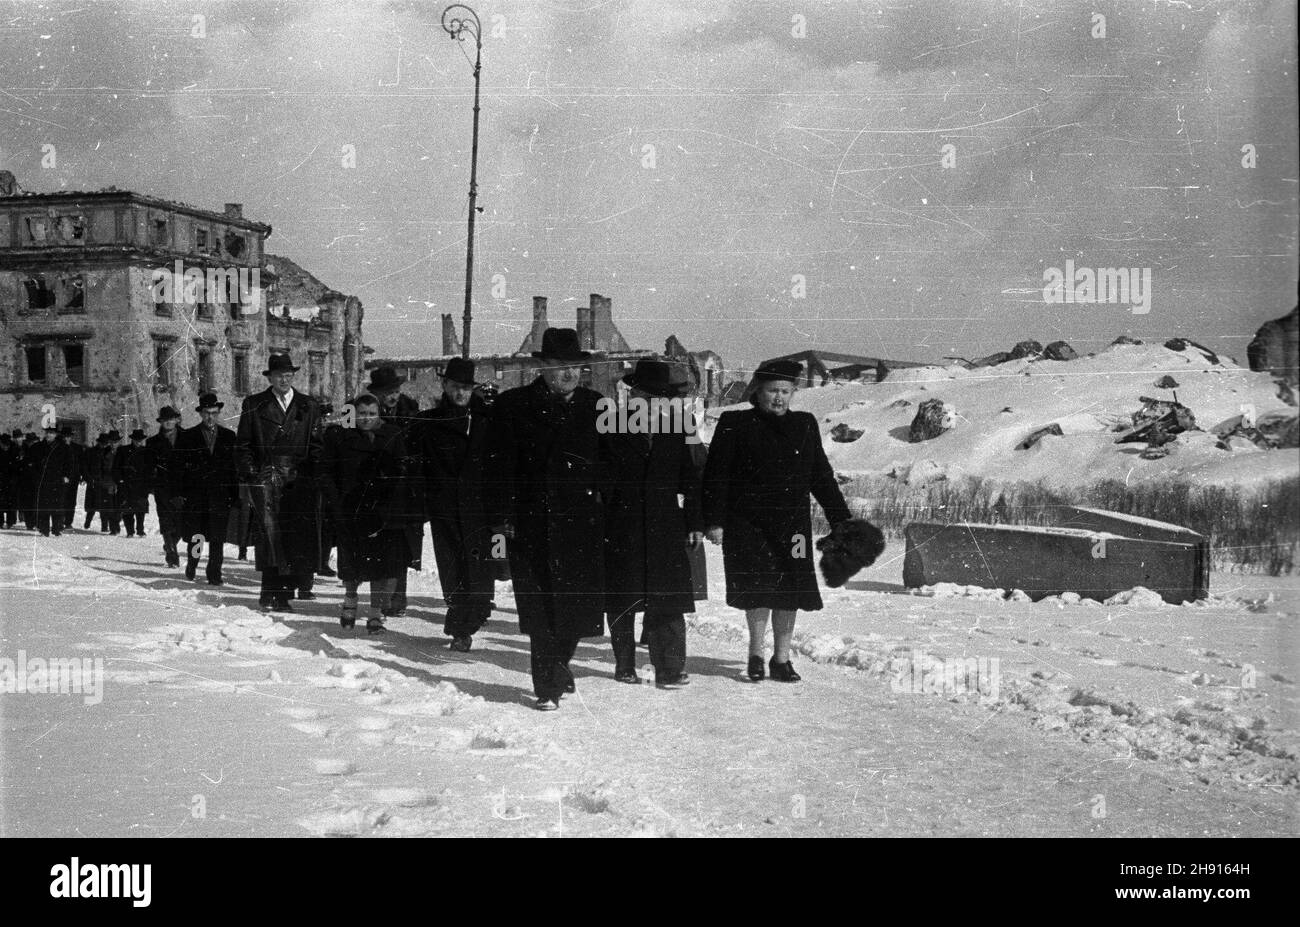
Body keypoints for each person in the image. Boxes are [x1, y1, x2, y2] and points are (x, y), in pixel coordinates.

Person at [702, 360, 851, 683]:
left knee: (790, 591)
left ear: (794, 392)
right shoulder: (734, 423)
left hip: (793, 527)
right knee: (756, 590)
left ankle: (781, 660)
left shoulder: (805, 424)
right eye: (773, 391)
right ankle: (756, 653)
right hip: (747, 525)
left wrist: (841, 519)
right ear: (758, 390)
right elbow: (716, 476)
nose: (779, 398)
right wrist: (713, 521)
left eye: (786, 391)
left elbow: (821, 476)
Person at [484, 328, 610, 711]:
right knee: (539, 608)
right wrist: (499, 520)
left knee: (574, 610)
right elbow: (495, 468)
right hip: (530, 523)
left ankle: (558, 663)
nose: (569, 374)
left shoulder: (598, 406)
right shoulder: (513, 406)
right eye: (559, 367)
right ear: (542, 368)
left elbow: (610, 464)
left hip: (582, 524)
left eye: (575, 366)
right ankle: (547, 687)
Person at [603, 360, 703, 688]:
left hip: (665, 523)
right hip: (621, 522)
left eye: (657, 397)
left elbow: (692, 479)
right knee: (622, 595)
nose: (648, 403)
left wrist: (695, 522)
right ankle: (625, 664)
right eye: (643, 395)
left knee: (669, 597)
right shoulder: (613, 425)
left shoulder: (680, 426)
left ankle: (670, 669)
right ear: (633, 394)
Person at [414, 357, 498, 652]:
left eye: (465, 387)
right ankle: (460, 629)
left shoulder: (487, 420)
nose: (461, 393)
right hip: (445, 508)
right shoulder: (430, 423)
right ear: (445, 385)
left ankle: (470, 618)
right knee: (453, 568)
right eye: (455, 387)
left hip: (479, 508)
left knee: (479, 567)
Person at [235, 353, 323, 613]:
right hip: (267, 477)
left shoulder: (308, 405)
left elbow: (317, 446)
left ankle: (282, 594)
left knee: (292, 538)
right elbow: (243, 445)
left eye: (288, 375)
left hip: (298, 480)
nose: (284, 380)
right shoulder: (255, 404)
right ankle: (270, 592)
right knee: (269, 536)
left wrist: (314, 475)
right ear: (270, 377)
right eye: (279, 375)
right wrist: (252, 474)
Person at [318, 394, 414, 633]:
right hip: (350, 509)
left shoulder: (392, 435)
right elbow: (327, 471)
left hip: (382, 512)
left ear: (379, 413)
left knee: (382, 565)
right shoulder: (341, 437)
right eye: (362, 413)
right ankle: (350, 600)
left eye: (371, 414)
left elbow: (403, 470)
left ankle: (375, 613)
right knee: (351, 560)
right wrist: (335, 500)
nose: (366, 419)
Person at [365, 365, 422, 617]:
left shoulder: (411, 409)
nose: (393, 396)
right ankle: (378, 600)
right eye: (387, 391)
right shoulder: (359, 408)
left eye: (396, 390)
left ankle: (396, 600)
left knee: (401, 544)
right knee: (377, 545)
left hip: (404, 488)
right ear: (376, 393)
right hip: (373, 486)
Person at [172, 394, 239, 586]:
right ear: (201, 414)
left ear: (218, 413)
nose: (210, 417)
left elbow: (233, 469)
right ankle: (193, 563)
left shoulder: (228, 437)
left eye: (214, 413)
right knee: (197, 536)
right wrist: (179, 493)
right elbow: (179, 468)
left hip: (220, 495)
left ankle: (214, 573)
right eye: (207, 413)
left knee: (217, 537)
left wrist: (234, 495)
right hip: (196, 496)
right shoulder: (188, 437)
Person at [147, 407, 184, 566]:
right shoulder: (153, 442)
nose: (168, 422)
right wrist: (152, 483)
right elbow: (147, 466)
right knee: (166, 520)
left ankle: (171, 542)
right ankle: (171, 552)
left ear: (177, 420)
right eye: (165, 419)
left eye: (171, 418)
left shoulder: (188, 438)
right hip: (163, 487)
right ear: (161, 422)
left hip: (183, 487)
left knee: (182, 523)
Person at [32, 424, 76, 536]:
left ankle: (57, 529)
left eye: (51, 433)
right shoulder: (38, 447)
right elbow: (33, 463)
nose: (48, 435)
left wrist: (66, 476)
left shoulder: (64, 447)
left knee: (57, 506)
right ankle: (44, 529)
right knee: (43, 506)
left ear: (56, 434)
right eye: (47, 432)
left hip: (58, 480)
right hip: (43, 480)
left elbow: (69, 464)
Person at [113, 428, 152, 537]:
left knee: (141, 509)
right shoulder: (123, 451)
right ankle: (130, 531)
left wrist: (149, 483)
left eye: (140, 440)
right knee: (127, 509)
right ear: (132, 440)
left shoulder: (146, 451)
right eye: (136, 440)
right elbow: (116, 467)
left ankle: (140, 529)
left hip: (141, 485)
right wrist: (119, 480)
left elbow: (150, 469)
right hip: (126, 484)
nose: (138, 442)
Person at [93, 430, 123, 534]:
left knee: (118, 505)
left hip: (120, 482)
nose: (113, 444)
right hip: (107, 481)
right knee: (109, 506)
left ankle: (117, 524)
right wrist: (100, 478)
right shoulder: (105, 451)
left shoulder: (123, 451)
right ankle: (113, 527)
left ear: (119, 442)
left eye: (115, 442)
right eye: (111, 442)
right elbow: (100, 466)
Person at [58, 426, 83, 530]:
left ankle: (68, 522)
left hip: (74, 478)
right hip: (61, 478)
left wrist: (82, 475)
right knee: (61, 500)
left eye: (68, 436)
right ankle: (60, 521)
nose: (66, 438)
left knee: (71, 501)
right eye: (65, 436)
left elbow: (81, 463)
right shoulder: (58, 447)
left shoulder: (77, 448)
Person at [0, 431, 19, 528]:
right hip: (1, 481)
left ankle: (10, 521)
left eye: (7, 445)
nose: (5, 447)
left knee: (11, 502)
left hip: (11, 481)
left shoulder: (14, 451)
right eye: (3, 445)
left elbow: (16, 467)